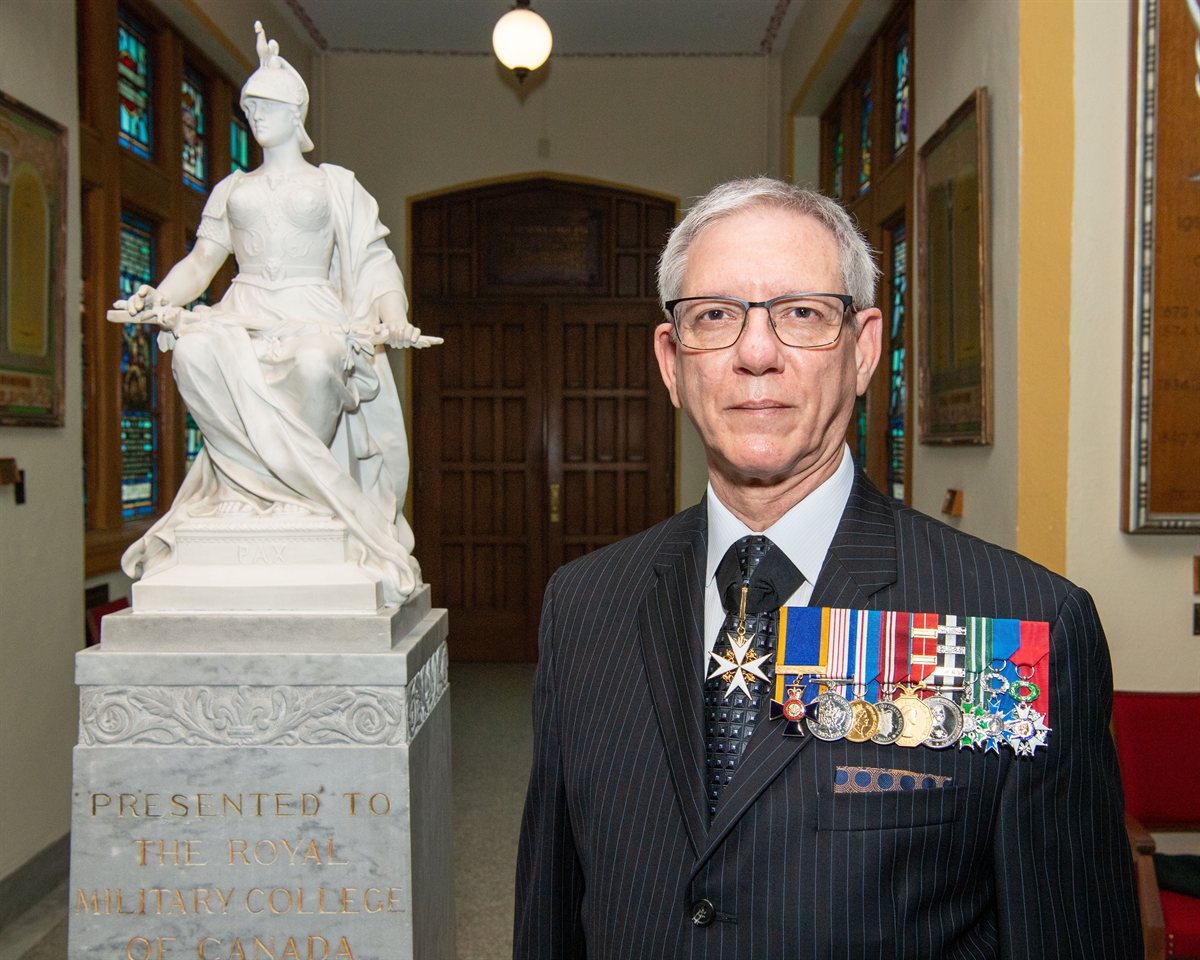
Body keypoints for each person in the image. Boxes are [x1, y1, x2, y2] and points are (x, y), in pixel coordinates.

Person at [514, 177, 1140, 958]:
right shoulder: (583, 608)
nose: (755, 353)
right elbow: (552, 913)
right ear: (673, 363)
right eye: (715, 316)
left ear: (864, 348)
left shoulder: (1014, 627)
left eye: (801, 314)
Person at [114, 22, 438, 604]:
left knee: (317, 364)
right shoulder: (231, 189)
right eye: (249, 107)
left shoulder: (334, 185)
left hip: (313, 308)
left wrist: (394, 315)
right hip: (245, 304)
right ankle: (246, 484)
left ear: (297, 112)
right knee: (191, 350)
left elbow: (372, 258)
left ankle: (300, 491)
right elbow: (200, 263)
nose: (256, 116)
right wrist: (159, 298)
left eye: (266, 105)